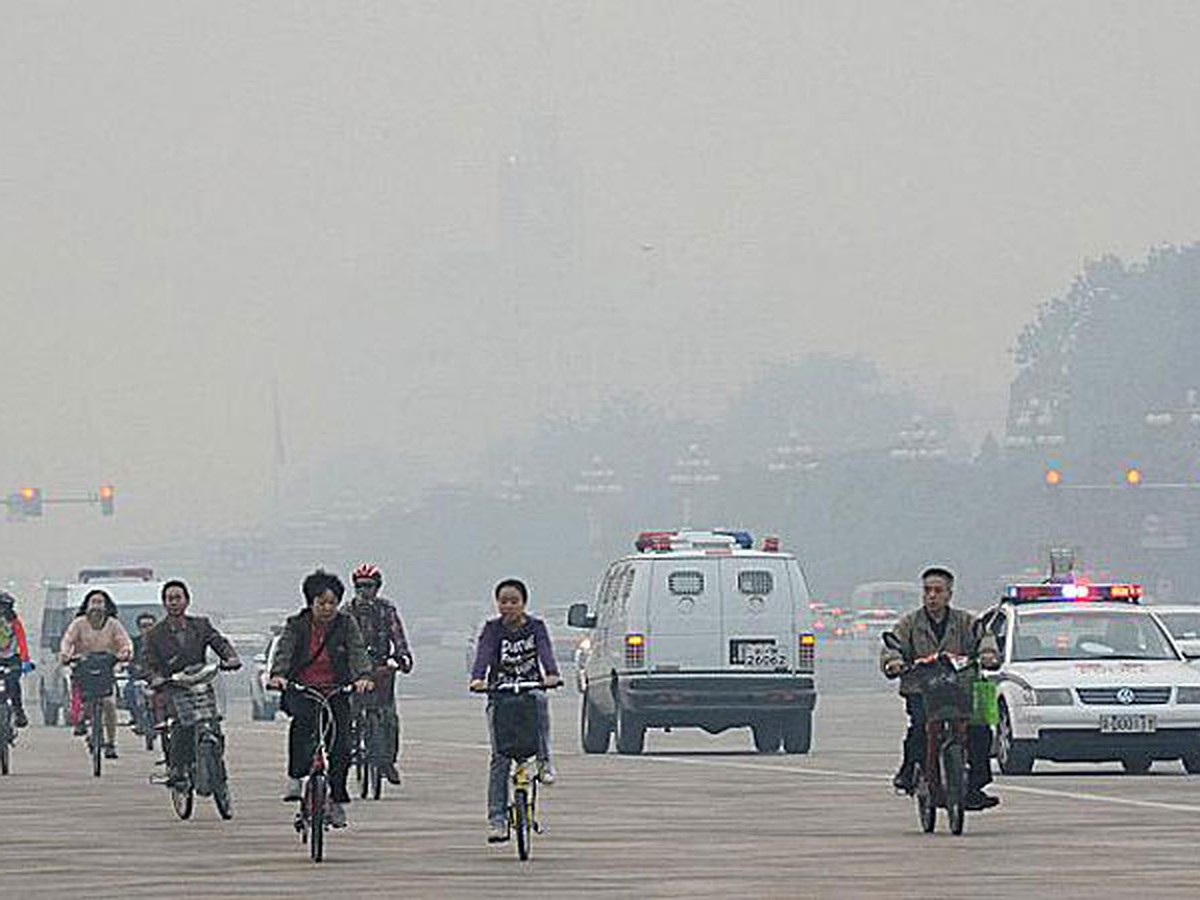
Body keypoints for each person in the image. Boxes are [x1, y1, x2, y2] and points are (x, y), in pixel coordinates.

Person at [879, 566, 1001, 810]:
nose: (932, 596)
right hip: (922, 691)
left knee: (979, 732)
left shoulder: (966, 621)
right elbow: (893, 647)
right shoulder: (909, 624)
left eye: (938, 591)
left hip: (960, 690)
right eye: (927, 591)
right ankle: (909, 772)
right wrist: (893, 662)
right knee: (919, 731)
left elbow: (984, 639)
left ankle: (975, 786)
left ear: (949, 594)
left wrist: (988, 655)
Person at [267, 569, 373, 829]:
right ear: (310, 602)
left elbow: (357, 652)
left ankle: (336, 798)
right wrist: (278, 676)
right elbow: (284, 652)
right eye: (321, 602)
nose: (327, 608)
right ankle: (295, 776)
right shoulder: (296, 625)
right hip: (302, 690)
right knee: (303, 723)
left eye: (332, 603)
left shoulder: (346, 624)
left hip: (336, 690)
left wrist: (362, 677)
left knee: (341, 745)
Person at [469, 578, 562, 843]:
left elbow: (545, 652)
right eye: (503, 601)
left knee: (540, 701)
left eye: (514, 601)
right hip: (501, 693)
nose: (508, 606)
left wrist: (552, 674)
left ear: (524, 603)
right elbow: (484, 655)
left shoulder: (536, 627)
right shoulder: (492, 629)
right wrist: (478, 679)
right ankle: (497, 820)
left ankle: (544, 761)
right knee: (500, 757)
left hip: (530, 688)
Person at [142, 580, 242, 782]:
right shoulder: (155, 634)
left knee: (213, 723)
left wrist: (230, 658)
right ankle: (178, 768)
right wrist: (156, 678)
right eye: (169, 599)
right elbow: (147, 663)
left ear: (187, 601)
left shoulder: (201, 625)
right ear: (164, 603)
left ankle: (215, 767)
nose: (174, 603)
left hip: (201, 684)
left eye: (178, 598)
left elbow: (219, 643)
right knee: (182, 727)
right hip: (174, 687)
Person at [343, 563, 413, 785]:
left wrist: (402, 658)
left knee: (388, 718)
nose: (365, 591)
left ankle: (387, 761)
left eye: (369, 586)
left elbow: (398, 636)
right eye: (360, 587)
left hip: (381, 669)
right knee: (344, 717)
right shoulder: (346, 612)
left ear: (378, 587)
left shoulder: (386, 610)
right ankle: (344, 754)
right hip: (353, 671)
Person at [59, 589, 133, 758]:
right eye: (93, 602)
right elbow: (68, 641)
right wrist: (65, 654)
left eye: (100, 602)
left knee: (109, 703)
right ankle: (82, 719)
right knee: (85, 698)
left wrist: (125, 652)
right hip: (84, 665)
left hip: (106, 667)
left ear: (106, 606)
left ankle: (111, 743)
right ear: (87, 605)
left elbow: (124, 642)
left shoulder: (113, 624)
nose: (97, 606)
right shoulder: (78, 623)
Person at [0, 592, 33, 728]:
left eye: (4, 607)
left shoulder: (15, 623)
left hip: (12, 659)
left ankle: (19, 712)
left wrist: (25, 661)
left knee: (13, 684)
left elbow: (22, 642)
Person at [124, 612, 158, 734]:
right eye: (144, 626)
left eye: (150, 625)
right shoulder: (134, 643)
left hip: (157, 678)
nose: (147, 629)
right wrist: (132, 666)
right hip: (138, 678)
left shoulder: (162, 642)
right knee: (128, 691)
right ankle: (137, 719)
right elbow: (128, 659)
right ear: (139, 628)